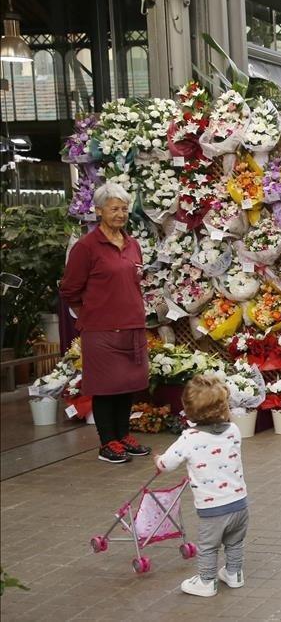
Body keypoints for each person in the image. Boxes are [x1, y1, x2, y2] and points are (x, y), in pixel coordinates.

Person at [60, 182, 151, 464]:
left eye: (124, 208)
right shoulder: (86, 247)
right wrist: (93, 312)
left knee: (127, 385)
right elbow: (70, 290)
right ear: (98, 211)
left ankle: (124, 436)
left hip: (132, 325)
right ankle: (107, 442)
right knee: (105, 387)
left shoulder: (133, 244)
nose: (120, 214)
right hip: (101, 330)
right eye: (114, 208)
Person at [156, 374, 249, 598]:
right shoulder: (233, 431)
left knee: (208, 546)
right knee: (234, 541)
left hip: (213, 508)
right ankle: (234, 573)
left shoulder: (190, 438)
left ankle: (206, 581)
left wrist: (158, 459)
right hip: (239, 503)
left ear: (188, 409)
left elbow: (167, 464)